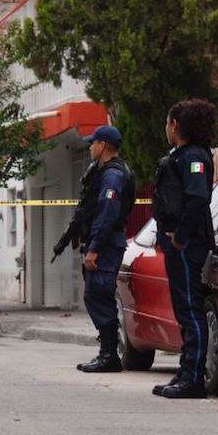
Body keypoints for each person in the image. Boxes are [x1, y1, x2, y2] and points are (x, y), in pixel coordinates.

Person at [152, 99, 216, 399]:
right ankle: (185, 370)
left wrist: (180, 235)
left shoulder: (194, 157)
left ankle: (194, 378)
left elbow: (198, 199)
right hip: (180, 242)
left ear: (174, 124)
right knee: (183, 309)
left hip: (188, 242)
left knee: (190, 309)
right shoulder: (181, 156)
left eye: (167, 122)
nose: (165, 128)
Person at [74, 125, 135, 373]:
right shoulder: (107, 173)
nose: (90, 147)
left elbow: (107, 214)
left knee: (98, 295)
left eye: (93, 143)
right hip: (105, 243)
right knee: (96, 295)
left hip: (106, 246)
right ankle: (107, 352)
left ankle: (109, 355)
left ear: (102, 146)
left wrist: (95, 248)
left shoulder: (112, 175)